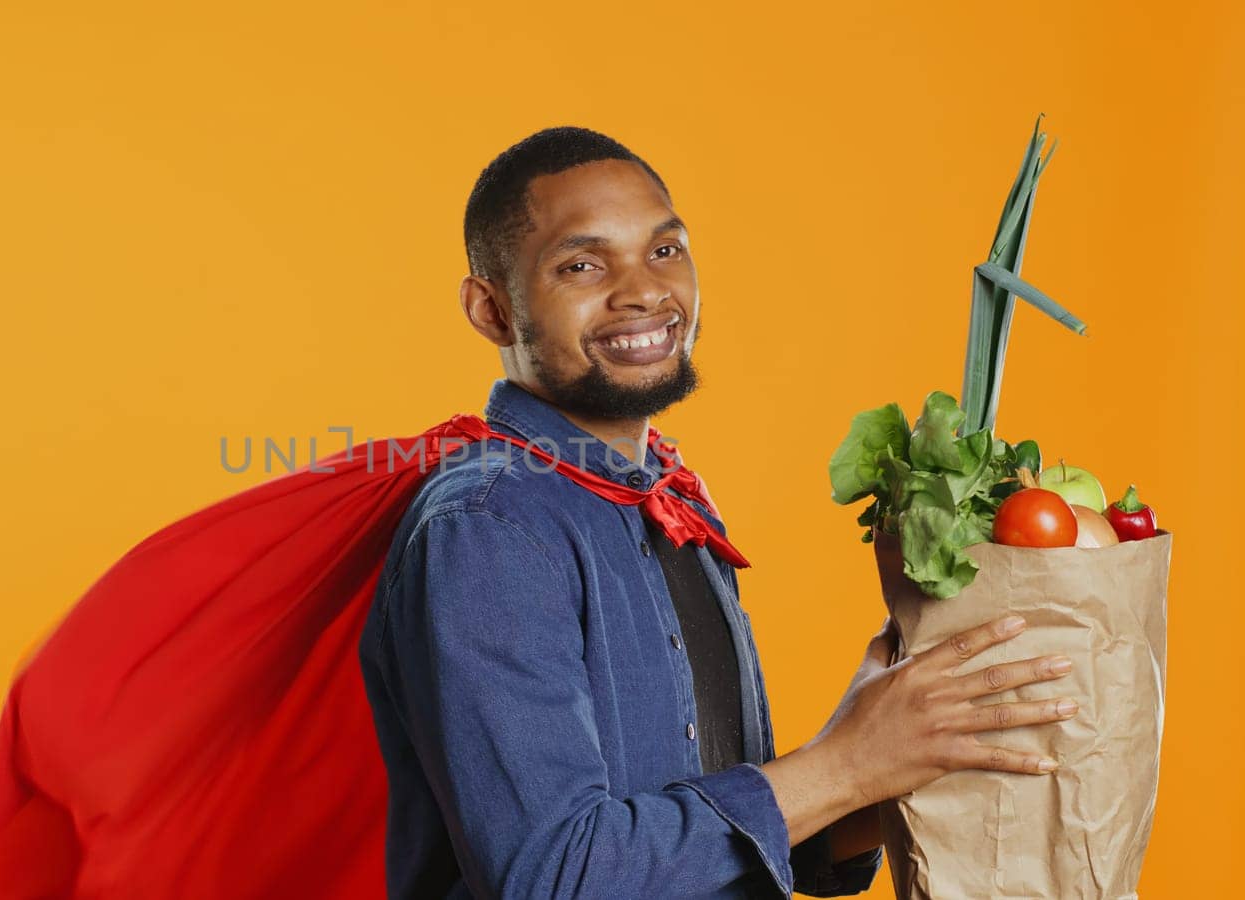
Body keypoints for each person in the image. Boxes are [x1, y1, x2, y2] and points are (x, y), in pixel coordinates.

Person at [356, 126, 1079, 898]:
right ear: (491, 309)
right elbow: (559, 877)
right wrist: (847, 763)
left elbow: (736, 846)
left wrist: (902, 744)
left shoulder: (668, 504)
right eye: (582, 264)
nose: (642, 291)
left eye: (665, 250)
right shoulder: (490, 529)